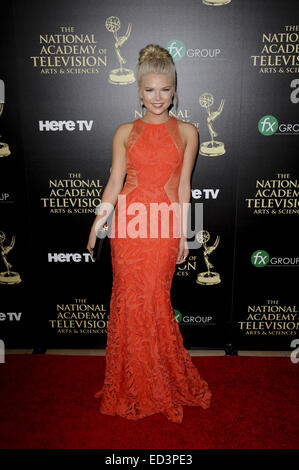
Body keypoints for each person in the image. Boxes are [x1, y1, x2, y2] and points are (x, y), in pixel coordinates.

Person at [87, 44, 212, 424]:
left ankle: (160, 379)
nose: (157, 98)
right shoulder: (125, 131)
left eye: (165, 90)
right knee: (130, 300)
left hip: (161, 227)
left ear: (175, 90)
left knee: (155, 300)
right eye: (149, 90)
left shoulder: (189, 132)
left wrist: (186, 235)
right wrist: (98, 220)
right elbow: (114, 180)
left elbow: (184, 187)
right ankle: (131, 381)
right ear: (138, 91)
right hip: (128, 225)